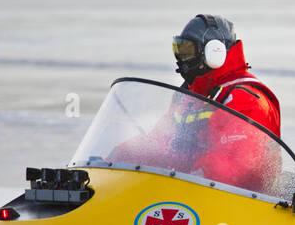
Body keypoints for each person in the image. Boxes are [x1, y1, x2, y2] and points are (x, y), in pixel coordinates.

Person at [111, 15, 281, 189]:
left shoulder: (246, 100)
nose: (182, 60)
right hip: (194, 191)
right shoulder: (187, 96)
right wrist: (116, 159)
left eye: (188, 52)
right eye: (179, 51)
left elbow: (233, 167)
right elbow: (161, 143)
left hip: (242, 202)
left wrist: (189, 175)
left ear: (214, 52)